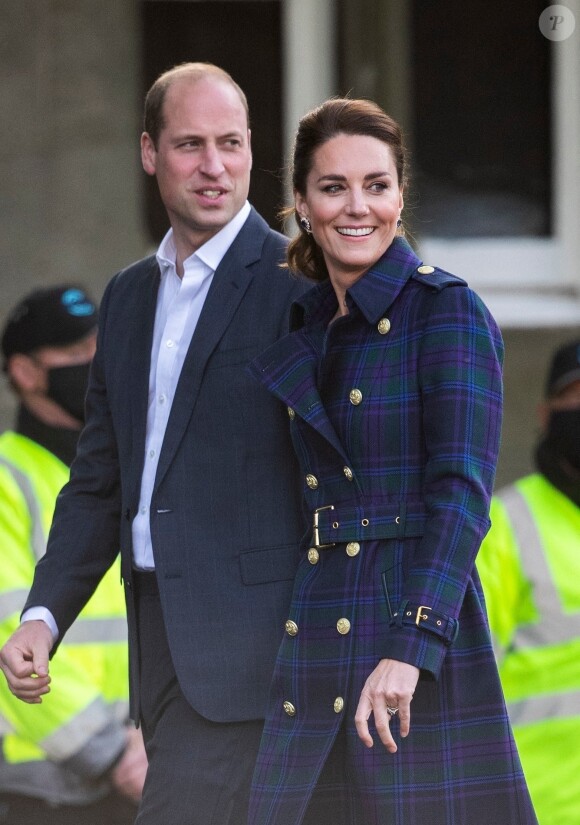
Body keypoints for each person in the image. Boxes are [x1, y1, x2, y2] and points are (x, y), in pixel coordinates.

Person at [0, 64, 306, 825]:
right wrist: (43, 616)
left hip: (254, 660)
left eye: (231, 144)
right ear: (148, 152)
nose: (214, 165)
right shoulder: (130, 296)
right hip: (159, 651)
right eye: (190, 144)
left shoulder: (297, 285)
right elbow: (101, 479)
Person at [247, 97, 538, 824]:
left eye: (376, 185)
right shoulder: (307, 323)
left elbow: (463, 495)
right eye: (334, 187)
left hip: (414, 640)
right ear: (302, 205)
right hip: (314, 638)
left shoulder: (446, 310)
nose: (358, 207)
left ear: (401, 197)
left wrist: (412, 643)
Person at [0, 285, 146, 824]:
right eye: (74, 352)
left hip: (138, 765)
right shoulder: (6, 479)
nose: (93, 362)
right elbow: (6, 637)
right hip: (47, 785)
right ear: (25, 373)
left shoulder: (115, 472)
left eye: (98, 346)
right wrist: (111, 752)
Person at [477, 339, 580, 825]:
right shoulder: (504, 527)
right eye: (575, 396)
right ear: (545, 414)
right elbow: (467, 685)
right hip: (537, 809)